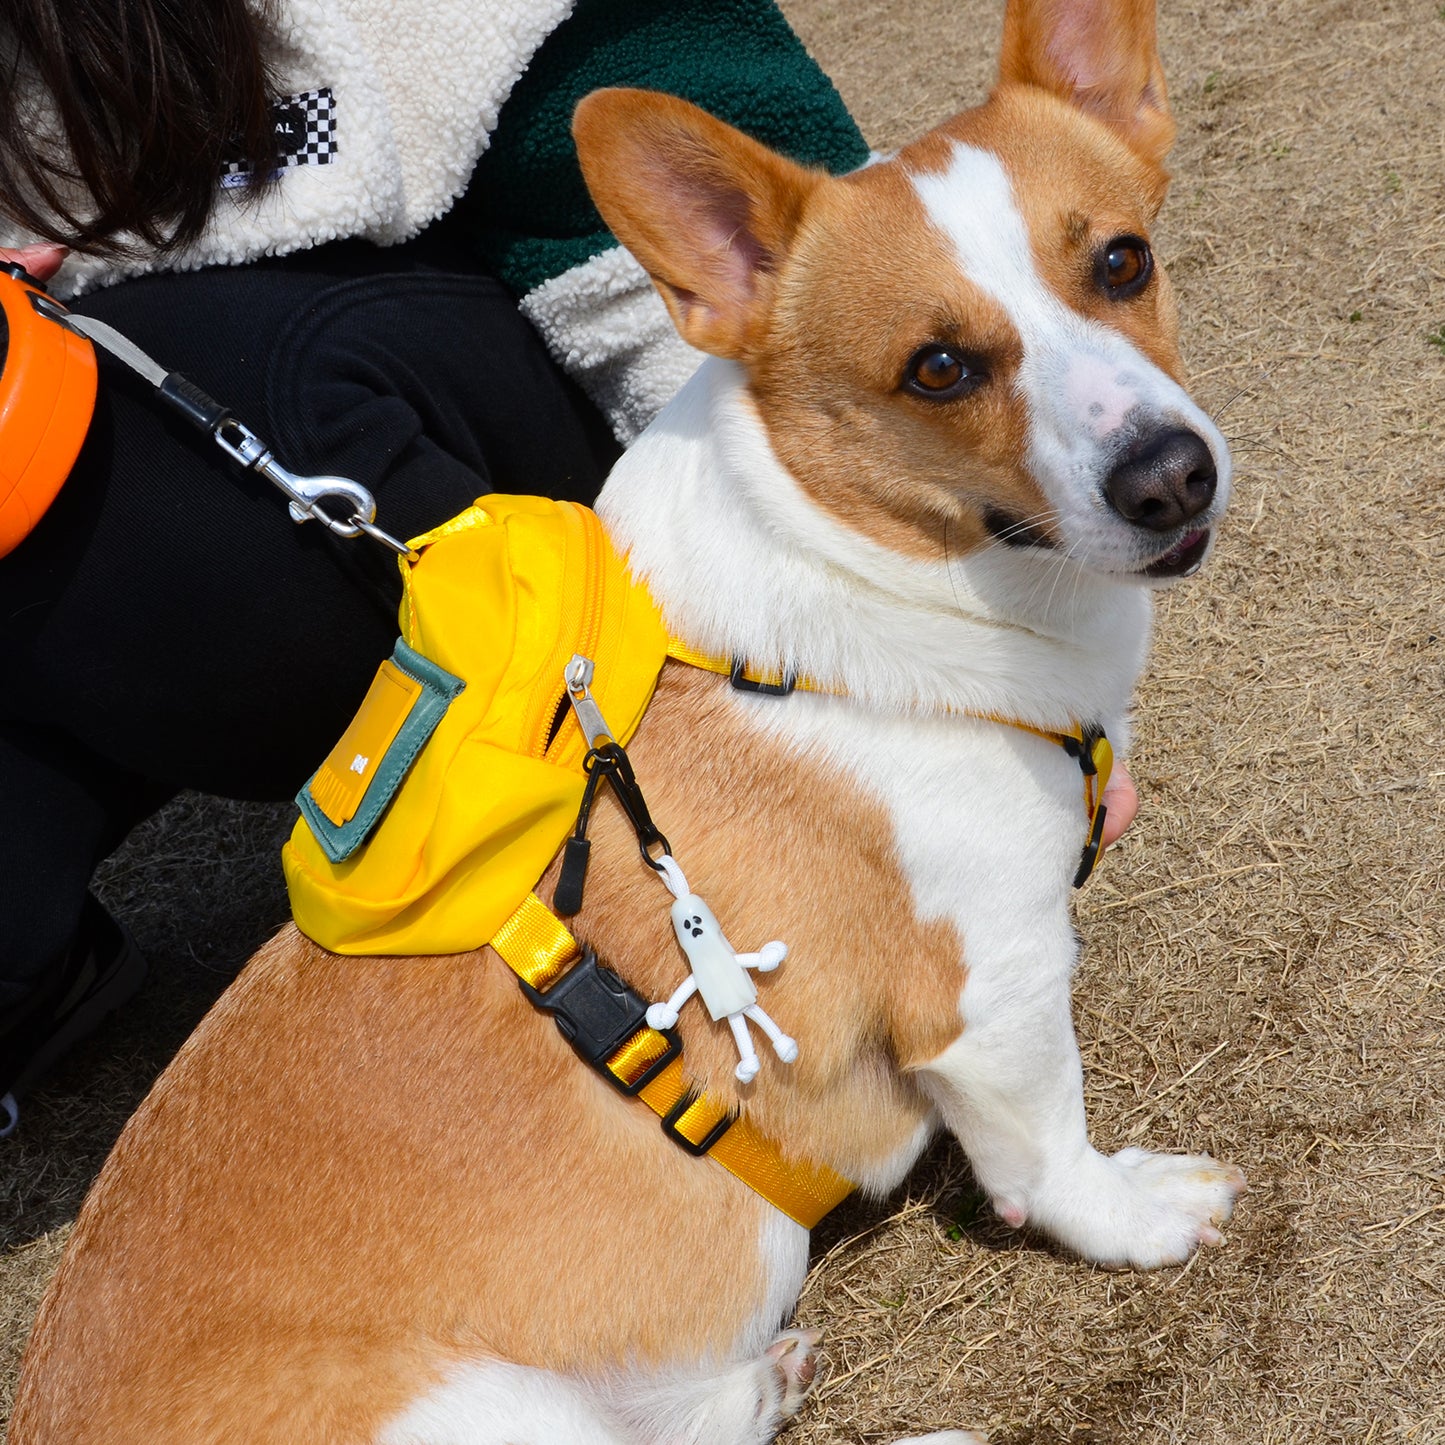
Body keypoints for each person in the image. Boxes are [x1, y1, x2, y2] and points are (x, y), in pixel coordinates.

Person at [0, 0, 1136, 1130]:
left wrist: (921, 673)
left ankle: (603, 783)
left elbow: (824, 303)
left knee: (187, 419)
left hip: (428, 428)